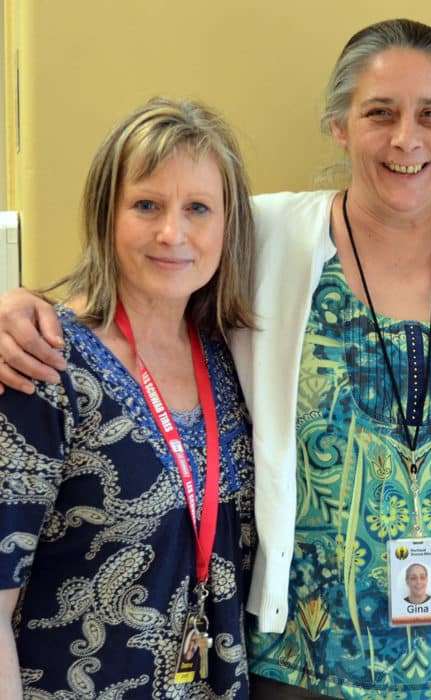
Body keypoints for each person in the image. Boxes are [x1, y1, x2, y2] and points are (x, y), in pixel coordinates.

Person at [0, 19, 431, 699]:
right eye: (378, 112)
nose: (405, 139)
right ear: (339, 125)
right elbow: (154, 256)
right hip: (306, 658)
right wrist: (16, 305)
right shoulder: (264, 236)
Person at [0, 98, 256, 698]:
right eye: (147, 205)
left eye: (198, 208)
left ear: (228, 226)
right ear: (106, 216)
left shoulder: (229, 359)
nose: (174, 233)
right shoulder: (44, 365)